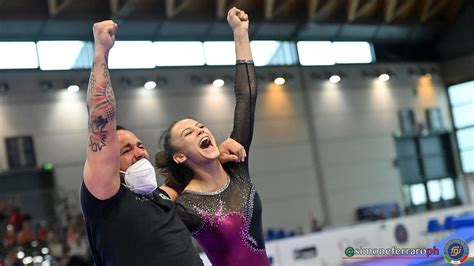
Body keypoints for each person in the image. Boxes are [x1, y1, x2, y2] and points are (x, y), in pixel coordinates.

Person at [80, 20, 246, 266]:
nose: (139, 152)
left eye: (139, 145)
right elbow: (100, 121)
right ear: (110, 163)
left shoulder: (161, 198)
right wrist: (100, 53)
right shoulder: (105, 198)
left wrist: (213, 154)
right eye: (126, 149)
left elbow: (188, 178)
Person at [155, 7, 269, 266]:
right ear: (180, 156)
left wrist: (240, 33)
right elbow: (148, 223)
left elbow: (246, 97)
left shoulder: (237, 168)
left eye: (201, 126)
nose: (201, 130)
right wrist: (171, 189)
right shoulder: (185, 205)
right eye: (189, 133)